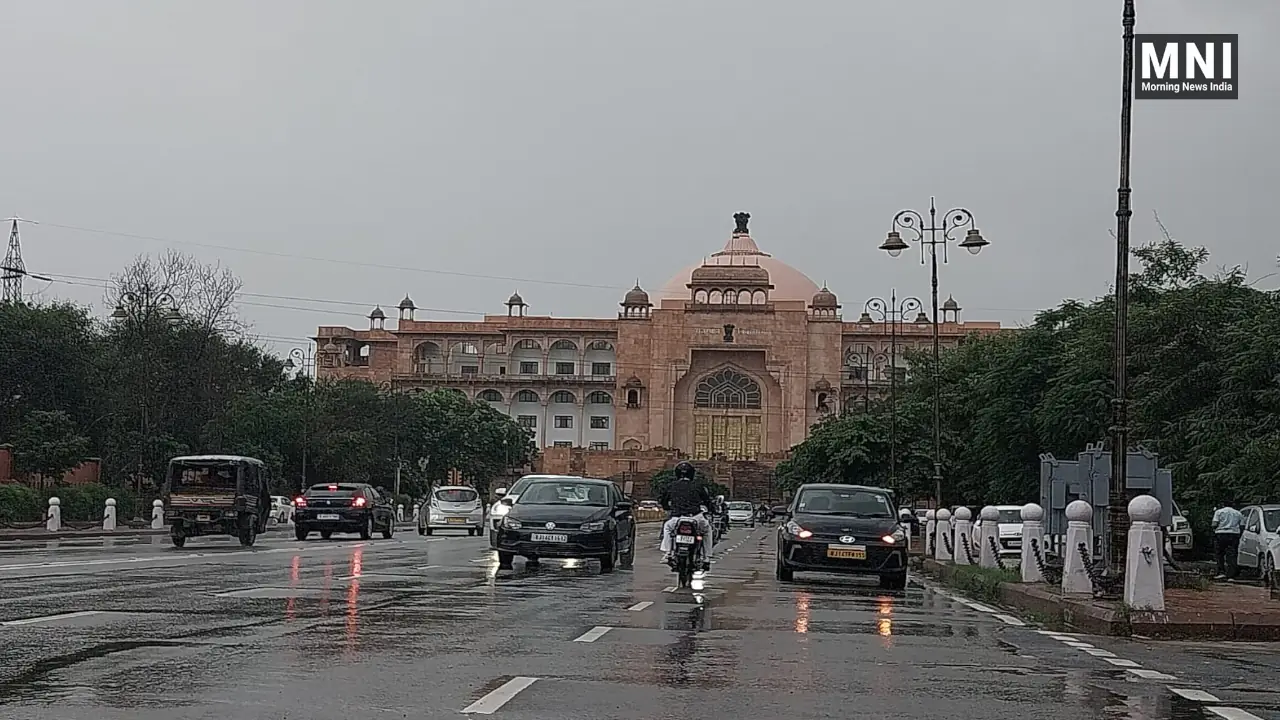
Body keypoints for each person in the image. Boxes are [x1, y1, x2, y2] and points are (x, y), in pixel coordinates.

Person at [658, 461, 715, 571]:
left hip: (677, 518)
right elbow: (707, 501)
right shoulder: (698, 486)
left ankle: (668, 552)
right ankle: (707, 557)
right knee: (707, 531)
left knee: (668, 528)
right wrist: (712, 510)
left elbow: (663, 500)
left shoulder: (672, 486)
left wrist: (667, 508)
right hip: (696, 517)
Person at [1212, 501, 1245, 580]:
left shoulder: (1219, 512)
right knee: (1232, 554)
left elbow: (1214, 524)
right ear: (1233, 505)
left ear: (1223, 504)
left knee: (1220, 554)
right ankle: (1231, 575)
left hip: (1221, 534)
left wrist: (1215, 530)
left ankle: (1221, 572)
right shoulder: (1238, 513)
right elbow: (1242, 525)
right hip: (1234, 534)